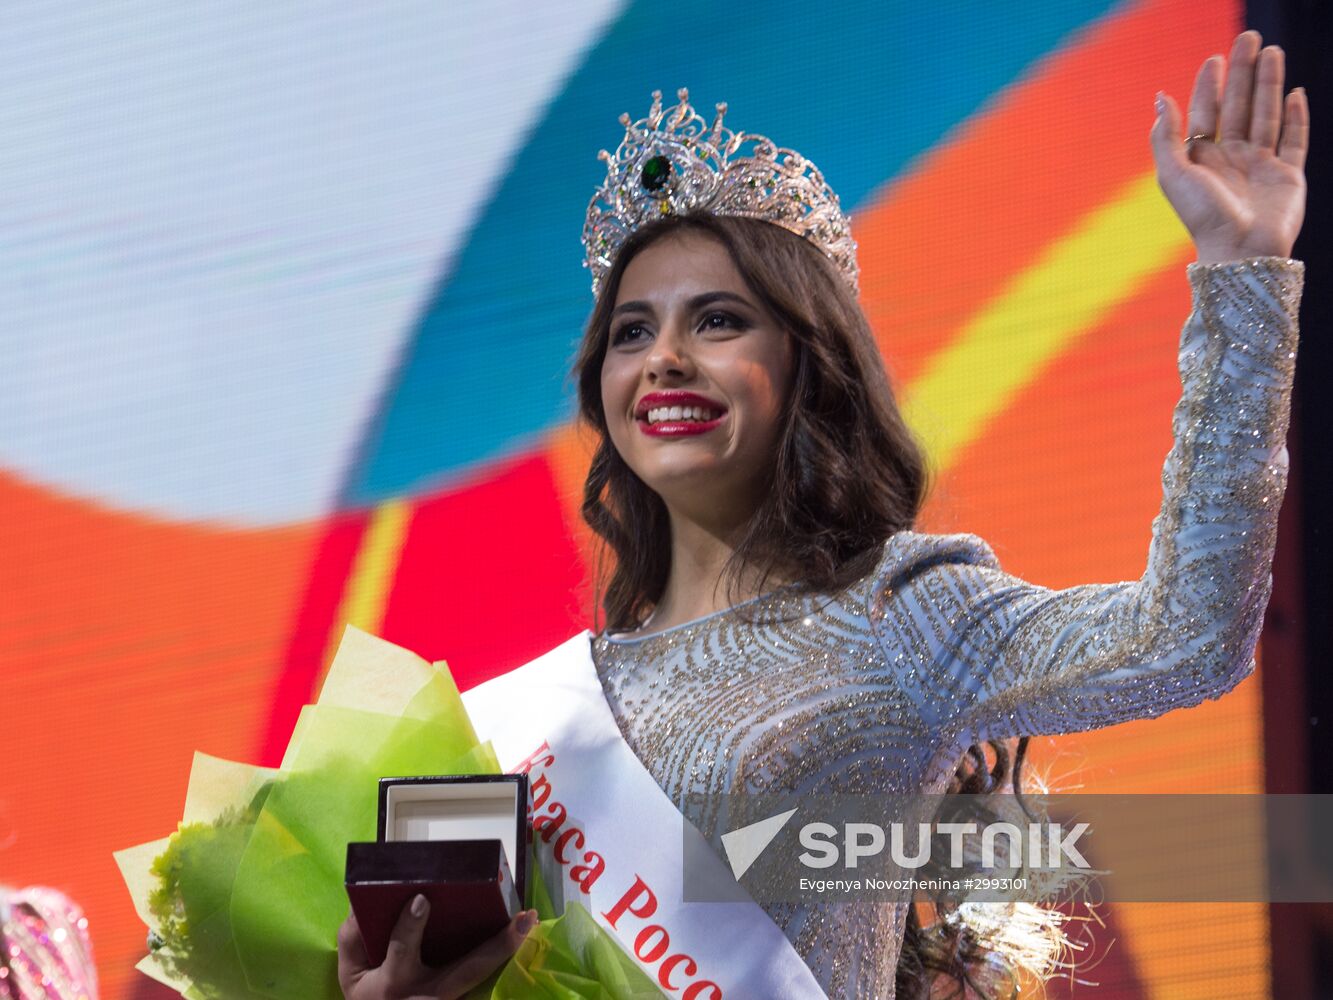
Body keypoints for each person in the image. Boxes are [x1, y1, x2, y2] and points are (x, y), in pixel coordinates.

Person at [338, 29, 1308, 1000]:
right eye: (633, 331)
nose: (665, 357)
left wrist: (1241, 271)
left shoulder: (901, 615)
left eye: (717, 320)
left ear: (807, 365)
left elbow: (1184, 637)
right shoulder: (529, 718)